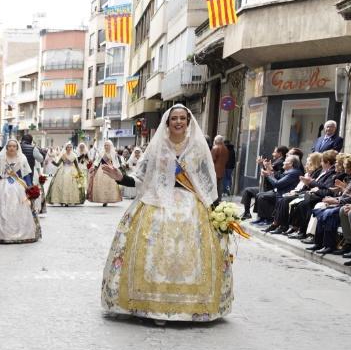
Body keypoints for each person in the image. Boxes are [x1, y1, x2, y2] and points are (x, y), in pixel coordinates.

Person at [100, 105, 231, 324]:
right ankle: (151, 304)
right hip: (157, 202)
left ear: (188, 121)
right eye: (174, 119)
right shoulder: (157, 146)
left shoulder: (198, 147)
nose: (178, 122)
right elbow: (141, 178)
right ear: (167, 122)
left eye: (182, 118)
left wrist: (220, 212)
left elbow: (206, 183)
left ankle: (192, 307)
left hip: (191, 207)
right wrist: (120, 177)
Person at [239, 145, 287, 219]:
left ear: (280, 153)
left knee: (250, 191)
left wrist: (264, 166)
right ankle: (247, 213)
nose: (272, 154)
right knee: (247, 191)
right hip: (267, 186)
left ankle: (255, 215)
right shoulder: (278, 161)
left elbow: (269, 173)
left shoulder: (280, 162)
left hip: (270, 188)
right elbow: (266, 172)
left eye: (274, 152)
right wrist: (262, 165)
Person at [88, 140, 123, 205]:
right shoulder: (101, 153)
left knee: (109, 184)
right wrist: (93, 167)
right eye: (105, 145)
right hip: (101, 170)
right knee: (101, 184)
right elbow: (97, 161)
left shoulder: (113, 153)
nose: (106, 146)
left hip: (110, 170)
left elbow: (116, 163)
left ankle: (108, 199)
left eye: (107, 145)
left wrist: (115, 170)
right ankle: (103, 199)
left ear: (110, 146)